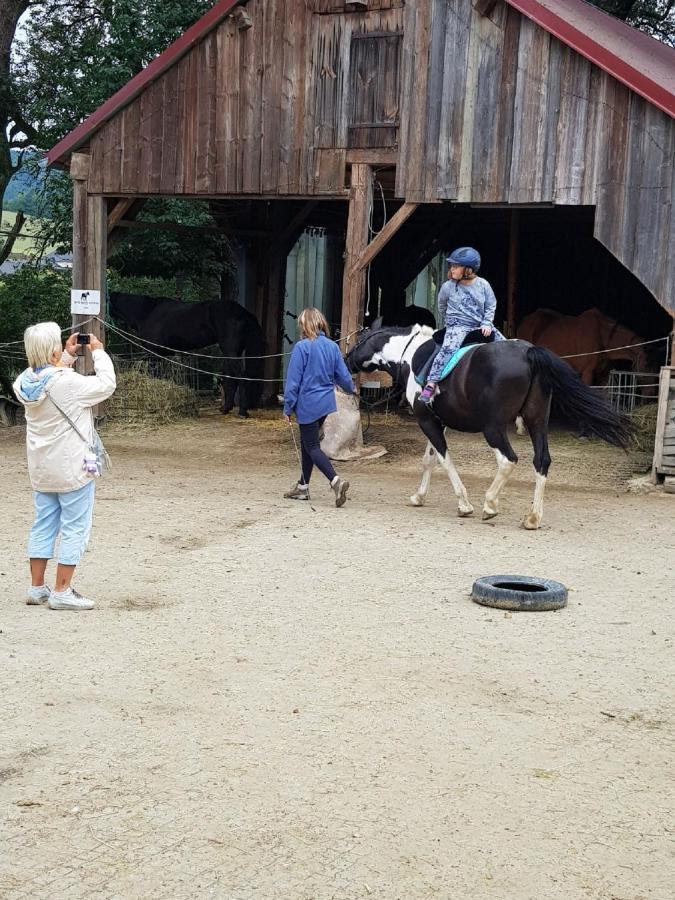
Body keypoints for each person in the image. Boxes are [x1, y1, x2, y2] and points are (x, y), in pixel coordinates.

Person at [13, 323, 117, 610]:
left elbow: (51, 381)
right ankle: (62, 590)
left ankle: (37, 588)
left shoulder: (23, 382)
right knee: (75, 526)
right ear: (53, 350)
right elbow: (105, 385)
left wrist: (67, 359)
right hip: (72, 467)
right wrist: (99, 353)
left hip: (41, 467)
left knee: (43, 524)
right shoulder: (68, 383)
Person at [282, 308, 355, 507]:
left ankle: (335, 481)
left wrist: (287, 407)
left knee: (312, 446)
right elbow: (343, 376)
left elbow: (293, 381)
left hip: (307, 404)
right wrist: (352, 389)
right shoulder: (332, 347)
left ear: (305, 326)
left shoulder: (302, 347)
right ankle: (303, 487)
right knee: (309, 443)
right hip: (325, 404)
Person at [418, 247, 505, 403]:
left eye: (456, 266)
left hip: (479, 325)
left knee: (505, 344)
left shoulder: (483, 284)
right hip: (457, 327)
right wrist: (451, 322)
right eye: (451, 266)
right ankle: (431, 382)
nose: (452, 269)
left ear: (469, 270)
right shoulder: (448, 287)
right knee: (447, 349)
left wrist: (486, 323)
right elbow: (442, 305)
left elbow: (491, 305)